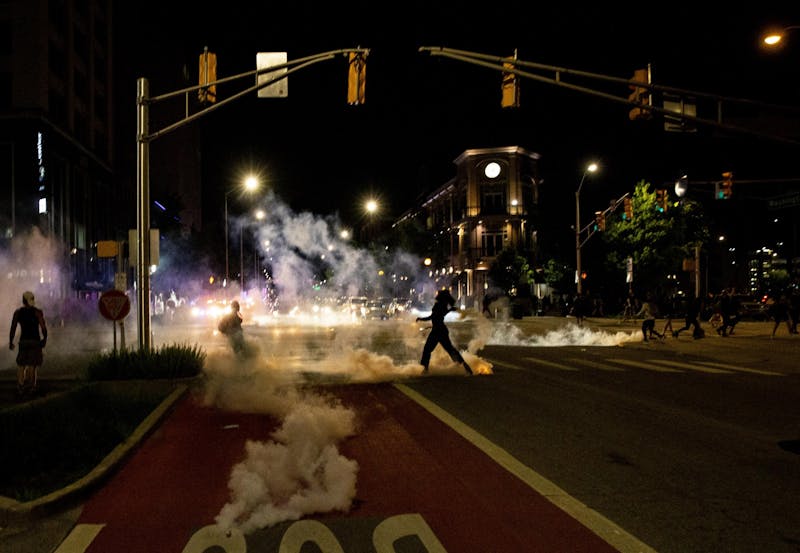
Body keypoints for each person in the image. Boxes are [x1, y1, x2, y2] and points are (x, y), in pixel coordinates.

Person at [416, 289, 472, 375]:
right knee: (450, 350)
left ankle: (424, 370)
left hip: (437, 331)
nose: (436, 295)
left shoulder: (439, 304)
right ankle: (465, 367)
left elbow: (434, 316)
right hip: (440, 330)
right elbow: (438, 315)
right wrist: (450, 310)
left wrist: (422, 319)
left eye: (438, 294)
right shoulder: (443, 305)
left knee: (427, 350)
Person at [9, 291, 48, 397]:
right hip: (35, 341)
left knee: (21, 365)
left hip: (23, 341)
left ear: (23, 301)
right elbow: (43, 327)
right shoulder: (37, 312)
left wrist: (11, 341)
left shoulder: (18, 312)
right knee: (32, 365)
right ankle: (32, 387)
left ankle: (20, 386)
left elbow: (13, 327)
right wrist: (45, 338)